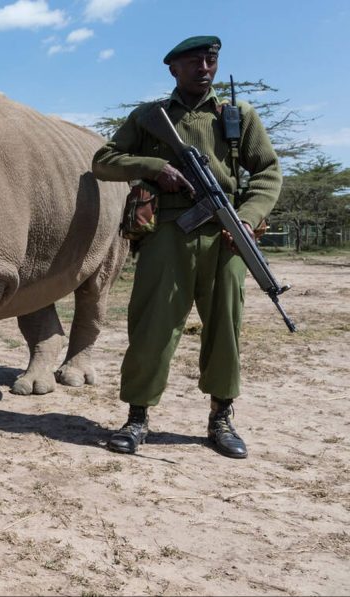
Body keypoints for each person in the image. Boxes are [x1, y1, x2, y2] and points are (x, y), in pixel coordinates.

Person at [91, 36, 282, 458]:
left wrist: (247, 218)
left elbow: (268, 172)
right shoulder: (150, 117)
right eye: (194, 61)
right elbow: (103, 161)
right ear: (173, 69)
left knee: (225, 329)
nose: (204, 68)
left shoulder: (237, 116)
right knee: (152, 327)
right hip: (166, 234)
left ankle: (221, 418)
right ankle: (137, 417)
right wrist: (155, 167)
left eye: (211, 60)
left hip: (226, 235)